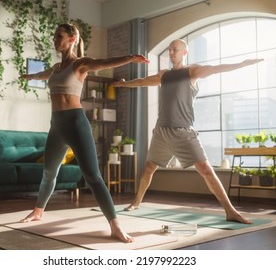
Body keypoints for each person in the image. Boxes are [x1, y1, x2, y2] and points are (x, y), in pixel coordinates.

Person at [19, 23, 149, 243]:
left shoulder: (80, 64)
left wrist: (128, 58)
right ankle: (38, 211)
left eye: (59, 36)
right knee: (49, 173)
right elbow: (43, 74)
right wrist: (31, 78)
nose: (54, 39)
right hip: (57, 125)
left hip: (75, 123)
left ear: (72, 39)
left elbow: (103, 63)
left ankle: (115, 225)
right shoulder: (55, 68)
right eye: (54, 36)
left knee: (93, 176)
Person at [113, 39, 263, 224]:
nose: (171, 52)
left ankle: (230, 211)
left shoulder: (192, 72)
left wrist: (241, 64)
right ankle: (136, 203)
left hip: (183, 132)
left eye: (175, 49)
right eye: (169, 50)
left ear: (184, 52)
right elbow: (143, 81)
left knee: (206, 170)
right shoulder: (164, 75)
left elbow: (216, 68)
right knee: (149, 168)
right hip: (161, 131)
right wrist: (125, 84)